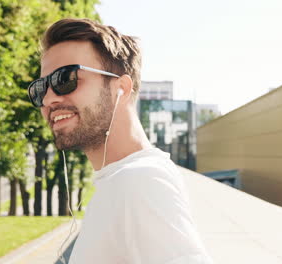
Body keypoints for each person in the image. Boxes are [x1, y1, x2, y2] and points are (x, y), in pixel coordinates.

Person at [27, 18, 214, 264]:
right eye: (40, 88)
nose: (49, 99)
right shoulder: (121, 180)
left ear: (122, 89)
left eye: (65, 79)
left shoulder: (139, 181)